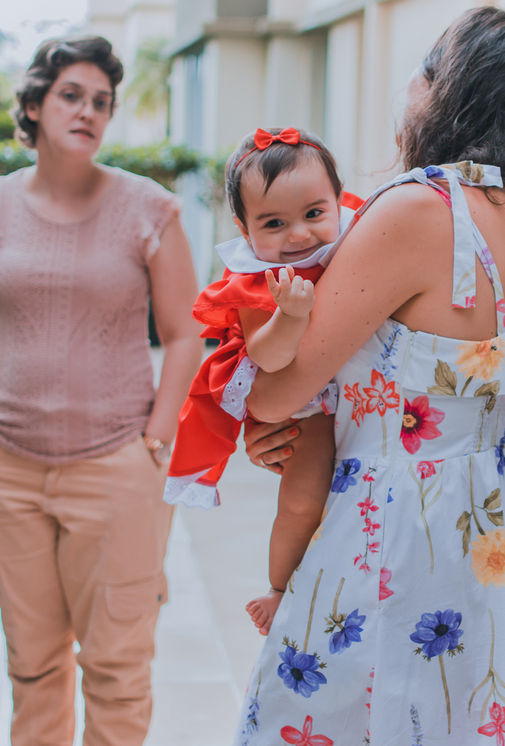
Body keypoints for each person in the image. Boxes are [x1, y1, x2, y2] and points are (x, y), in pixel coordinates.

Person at [231, 7, 505, 744]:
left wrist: (263, 416)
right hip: (476, 518)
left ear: (456, 93)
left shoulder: (417, 209)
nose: (410, 84)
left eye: (426, 66)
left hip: (393, 518)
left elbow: (285, 390)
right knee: (442, 715)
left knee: (336, 713)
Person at [0, 36, 201, 746]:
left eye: (102, 102)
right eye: (71, 96)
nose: (89, 111)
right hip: (5, 468)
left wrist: (154, 442)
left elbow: (186, 334)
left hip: (116, 465)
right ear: (33, 106)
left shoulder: (150, 210)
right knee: (32, 664)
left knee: (118, 668)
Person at [162, 127, 365, 635]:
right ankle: (279, 588)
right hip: (309, 404)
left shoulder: (358, 242)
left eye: (314, 214)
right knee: (302, 499)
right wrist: (290, 317)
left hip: (363, 395)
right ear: (244, 228)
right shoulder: (256, 280)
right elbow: (265, 357)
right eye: (274, 223)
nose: (298, 235)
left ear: (337, 203)